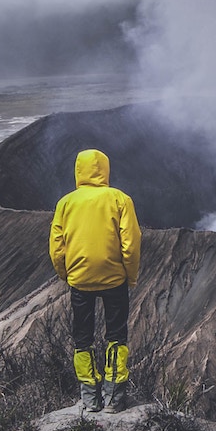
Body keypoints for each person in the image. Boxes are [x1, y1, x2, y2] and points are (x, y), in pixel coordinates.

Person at [49, 148, 141, 413]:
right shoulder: (120, 199)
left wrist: (65, 273)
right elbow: (131, 244)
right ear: (105, 169)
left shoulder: (66, 203)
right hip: (114, 280)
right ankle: (113, 399)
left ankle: (90, 399)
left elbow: (57, 246)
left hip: (80, 281)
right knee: (116, 336)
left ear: (78, 171)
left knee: (82, 339)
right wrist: (130, 275)